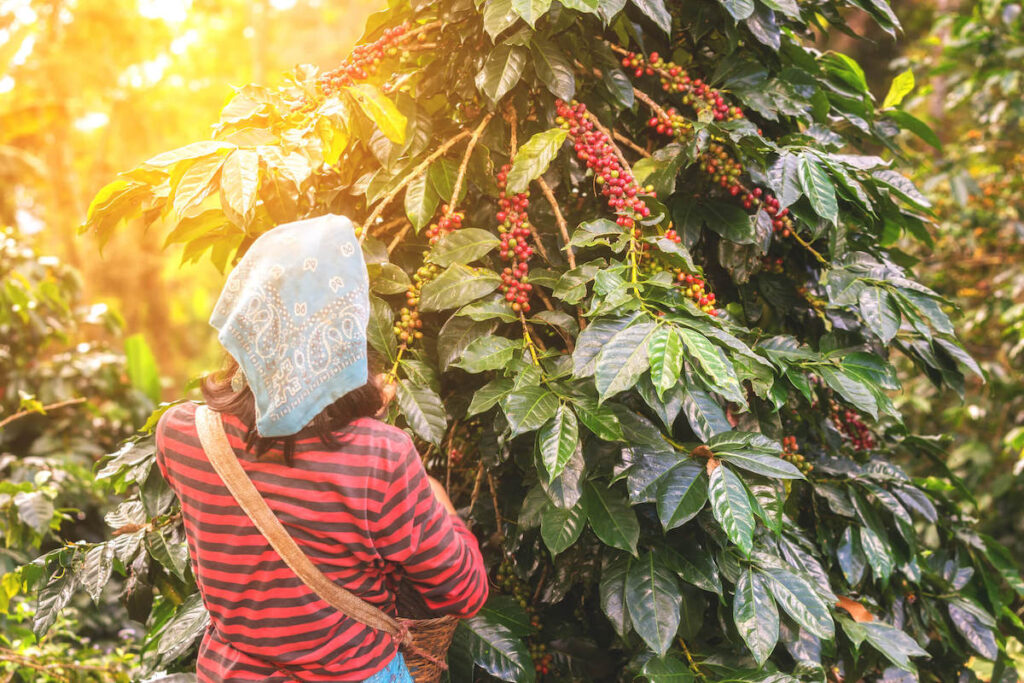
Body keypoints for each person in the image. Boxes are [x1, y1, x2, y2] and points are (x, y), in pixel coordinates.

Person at [154, 214, 488, 682]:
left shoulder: (182, 433)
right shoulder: (382, 457)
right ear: (347, 333)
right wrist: (437, 498)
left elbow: (279, 464)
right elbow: (464, 593)